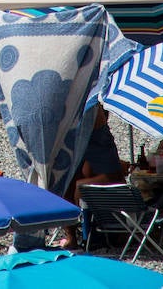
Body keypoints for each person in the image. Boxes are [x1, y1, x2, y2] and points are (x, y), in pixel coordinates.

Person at [61, 105, 124, 244]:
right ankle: (78, 235)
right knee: (71, 183)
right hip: (89, 122)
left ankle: (75, 236)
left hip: (71, 122)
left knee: (69, 182)